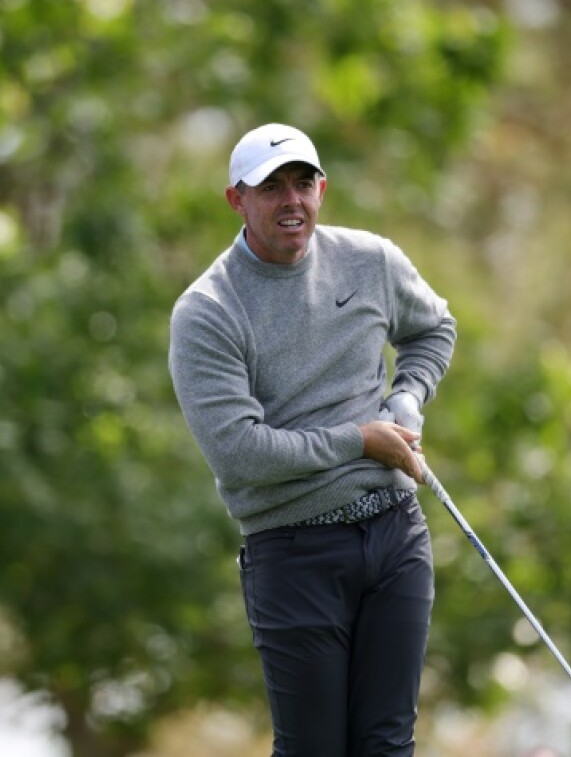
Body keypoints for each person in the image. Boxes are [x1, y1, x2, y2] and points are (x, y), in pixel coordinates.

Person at [168, 123, 456, 756]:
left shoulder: (371, 260)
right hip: (292, 551)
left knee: (386, 745)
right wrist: (361, 441)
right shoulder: (208, 311)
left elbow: (434, 328)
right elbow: (240, 452)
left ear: (322, 189)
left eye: (302, 183)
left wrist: (407, 397)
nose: (290, 200)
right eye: (270, 187)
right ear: (236, 200)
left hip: (394, 534)